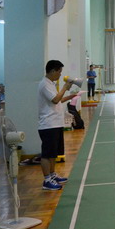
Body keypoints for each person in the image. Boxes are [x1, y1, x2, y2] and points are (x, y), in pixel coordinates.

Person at [38, 60, 77, 190]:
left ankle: (52, 175)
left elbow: (58, 100)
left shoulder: (51, 84)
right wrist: (65, 88)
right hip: (48, 124)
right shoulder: (44, 84)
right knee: (47, 154)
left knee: (53, 153)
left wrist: (70, 96)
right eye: (59, 72)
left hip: (55, 123)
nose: (60, 74)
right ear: (53, 71)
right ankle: (46, 180)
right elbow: (55, 100)